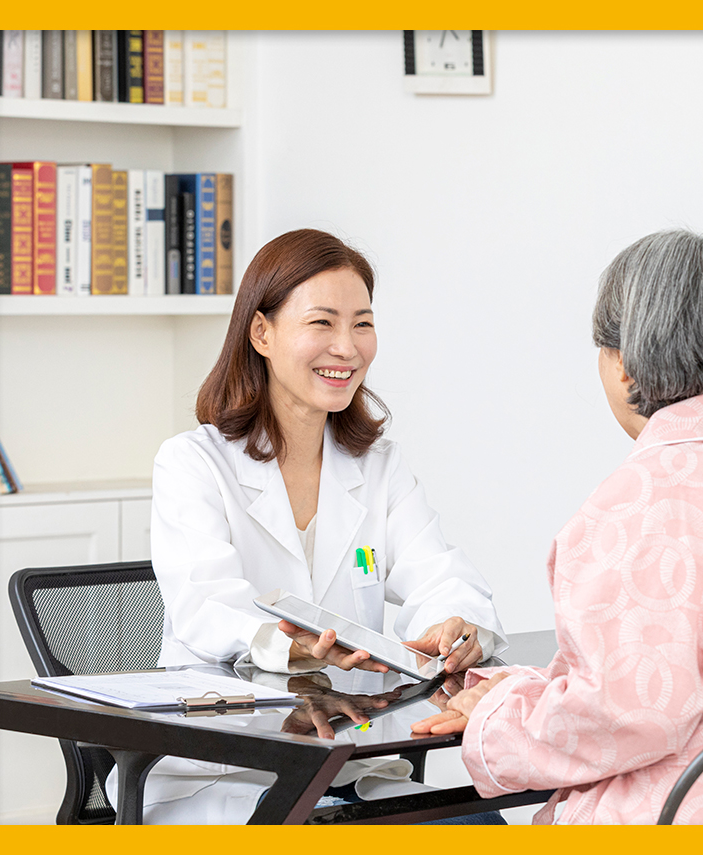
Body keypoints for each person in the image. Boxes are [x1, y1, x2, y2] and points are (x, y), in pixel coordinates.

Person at [413, 230, 703, 824]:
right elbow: (680, 679)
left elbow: (624, 717)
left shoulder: (643, 501)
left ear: (623, 362)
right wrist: (519, 692)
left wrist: (496, 718)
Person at [131, 228, 508, 823]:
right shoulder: (193, 462)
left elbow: (437, 571)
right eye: (322, 323)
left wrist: (454, 626)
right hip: (227, 773)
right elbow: (205, 608)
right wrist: (286, 643)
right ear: (261, 333)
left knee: (479, 823)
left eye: (362, 324)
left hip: (350, 766)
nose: (347, 347)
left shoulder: (378, 466)